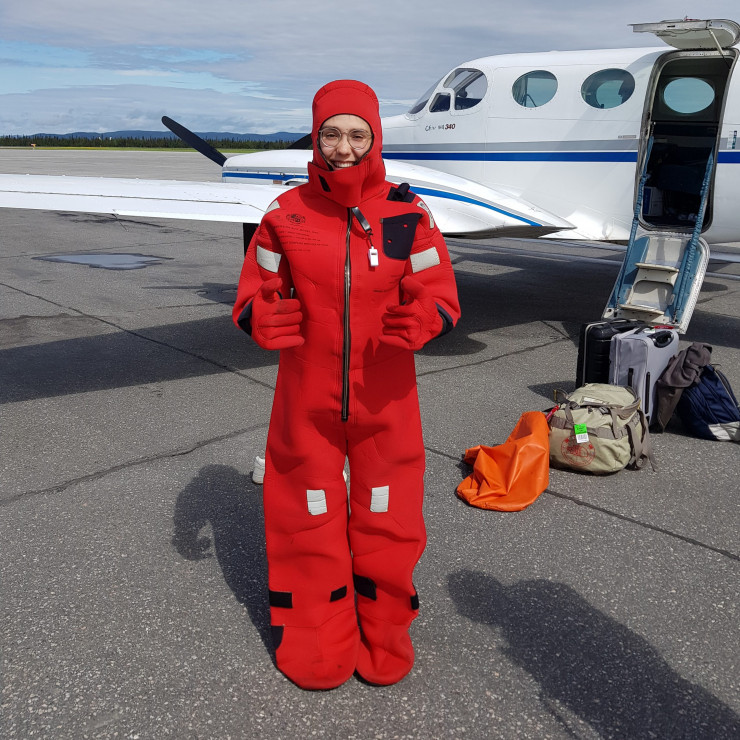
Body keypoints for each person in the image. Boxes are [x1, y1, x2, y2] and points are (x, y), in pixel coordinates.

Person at [232, 79, 460, 689]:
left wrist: (428, 317)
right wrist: (258, 317)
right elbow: (255, 290)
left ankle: (385, 631)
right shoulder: (285, 214)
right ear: (316, 137)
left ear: (375, 137)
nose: (343, 147)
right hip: (306, 398)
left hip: (386, 401)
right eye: (331, 134)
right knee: (306, 515)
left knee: (389, 518)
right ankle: (315, 637)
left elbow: (440, 291)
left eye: (357, 134)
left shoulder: (408, 214)